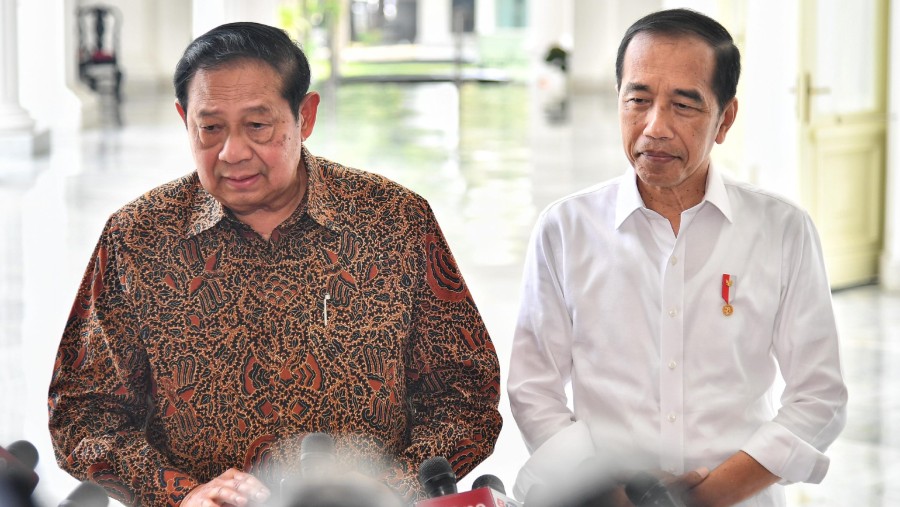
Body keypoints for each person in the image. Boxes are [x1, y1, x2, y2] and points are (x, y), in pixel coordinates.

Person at [48, 21, 502, 507]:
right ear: (184, 119)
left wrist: (391, 489)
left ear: (304, 117)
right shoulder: (139, 237)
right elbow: (83, 415)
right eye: (210, 128)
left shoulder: (392, 221)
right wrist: (181, 494)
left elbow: (466, 395)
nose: (232, 152)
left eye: (258, 126)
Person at [508, 8, 847, 507]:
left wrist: (705, 498)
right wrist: (610, 491)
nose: (655, 127)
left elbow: (819, 397)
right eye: (638, 100)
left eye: (684, 106)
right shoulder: (566, 229)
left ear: (725, 119)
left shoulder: (782, 231)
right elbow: (533, 389)